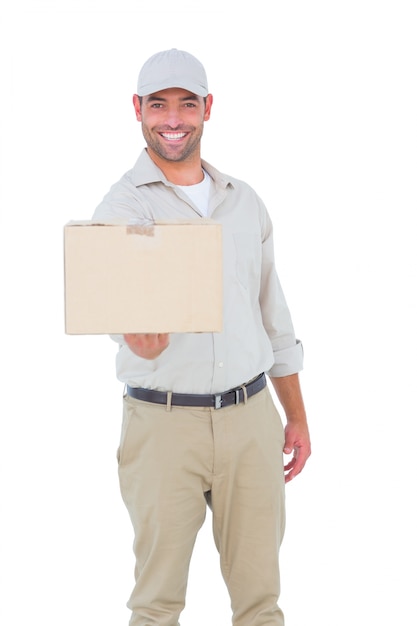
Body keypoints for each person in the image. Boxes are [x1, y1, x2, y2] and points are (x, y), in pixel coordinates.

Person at [93, 48, 311, 626]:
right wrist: (134, 338)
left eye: (187, 105)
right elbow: (114, 307)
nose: (173, 120)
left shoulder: (244, 202)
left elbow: (274, 316)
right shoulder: (122, 207)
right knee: (157, 603)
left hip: (251, 420)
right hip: (164, 427)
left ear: (208, 108)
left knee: (261, 602)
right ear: (137, 110)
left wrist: (296, 415)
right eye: (159, 105)